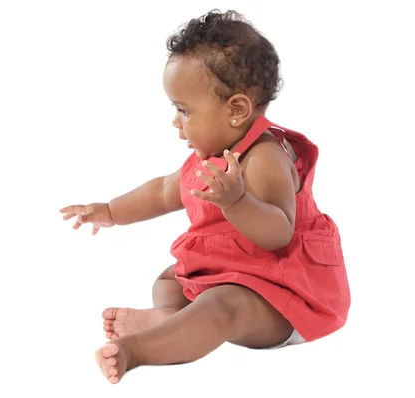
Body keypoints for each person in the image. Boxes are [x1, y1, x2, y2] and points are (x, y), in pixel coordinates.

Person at [59, 9, 350, 384]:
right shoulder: (209, 157)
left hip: (286, 294)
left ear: (236, 110)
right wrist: (111, 211)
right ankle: (169, 318)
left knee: (220, 305)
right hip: (234, 272)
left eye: (184, 110)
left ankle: (137, 351)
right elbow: (163, 191)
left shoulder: (265, 159)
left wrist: (237, 202)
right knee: (170, 279)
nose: (176, 122)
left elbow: (279, 231)